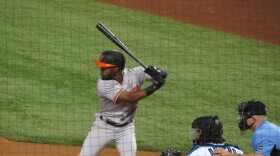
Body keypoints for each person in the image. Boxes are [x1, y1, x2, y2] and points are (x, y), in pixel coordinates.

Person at [79, 50, 167, 156]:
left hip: (126, 129)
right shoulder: (103, 84)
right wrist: (155, 86)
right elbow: (129, 97)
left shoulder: (135, 73)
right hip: (103, 128)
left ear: (116, 68)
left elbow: (164, 73)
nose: (101, 70)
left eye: (105, 67)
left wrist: (158, 73)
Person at [214, 100, 280, 156]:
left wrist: (229, 155)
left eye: (244, 116)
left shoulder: (261, 134)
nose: (242, 119)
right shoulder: (270, 128)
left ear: (252, 119)